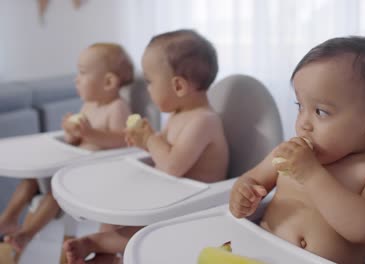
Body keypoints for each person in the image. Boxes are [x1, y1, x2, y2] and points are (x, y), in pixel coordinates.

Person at [229, 36, 365, 264]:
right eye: (300, 106)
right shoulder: (288, 153)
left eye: (321, 112)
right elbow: (252, 179)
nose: (303, 123)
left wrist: (311, 174)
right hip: (264, 254)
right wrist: (243, 194)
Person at [63, 29, 229, 264]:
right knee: (113, 214)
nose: (147, 89)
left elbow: (173, 165)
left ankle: (96, 243)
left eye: (150, 81)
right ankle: (108, 257)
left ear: (178, 86)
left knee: (141, 235)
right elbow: (163, 152)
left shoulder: (204, 120)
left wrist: (150, 138)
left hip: (192, 208)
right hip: (168, 197)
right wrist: (144, 143)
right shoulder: (180, 114)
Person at [0, 43, 134, 253]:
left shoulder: (117, 107)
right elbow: (75, 141)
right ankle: (8, 218)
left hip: (92, 174)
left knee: (55, 193)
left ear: (108, 82)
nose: (76, 79)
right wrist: (70, 132)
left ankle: (26, 235)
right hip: (72, 165)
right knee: (31, 180)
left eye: (82, 73)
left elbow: (122, 140)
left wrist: (90, 133)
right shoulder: (89, 106)